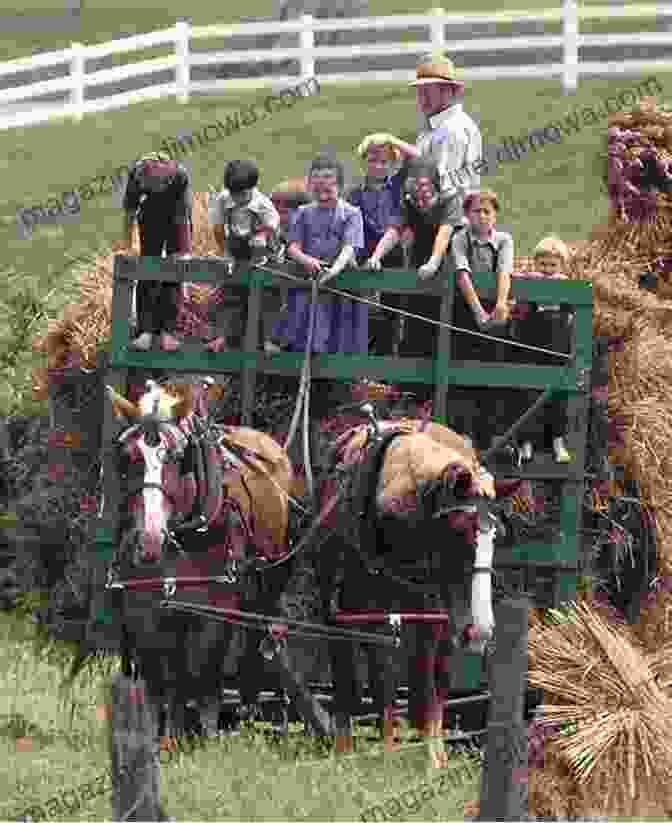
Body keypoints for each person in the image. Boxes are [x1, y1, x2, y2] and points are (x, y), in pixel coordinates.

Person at [269, 155, 365, 357]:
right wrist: (308, 260)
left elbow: (350, 248)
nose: (322, 195)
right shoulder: (303, 213)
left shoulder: (351, 214)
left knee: (338, 344)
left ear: (339, 185)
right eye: (317, 190)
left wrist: (335, 269)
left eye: (328, 190)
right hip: (309, 286)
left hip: (340, 288)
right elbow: (293, 248)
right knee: (304, 341)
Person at [365, 158, 456, 364]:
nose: (421, 201)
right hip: (418, 264)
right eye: (416, 193)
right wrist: (376, 256)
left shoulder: (450, 200)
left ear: (435, 185)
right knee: (415, 325)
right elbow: (394, 230)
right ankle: (409, 390)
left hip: (447, 264)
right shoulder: (408, 202)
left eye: (425, 192)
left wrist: (434, 262)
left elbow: (445, 233)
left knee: (444, 328)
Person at [449, 189, 514, 446]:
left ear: (495, 216)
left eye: (488, 212)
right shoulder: (460, 238)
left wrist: (500, 304)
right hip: (467, 310)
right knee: (463, 370)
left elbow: (504, 271)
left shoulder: (504, 240)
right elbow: (462, 273)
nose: (482, 217)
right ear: (467, 215)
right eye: (477, 211)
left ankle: (490, 436)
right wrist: (478, 312)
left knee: (494, 370)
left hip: (494, 310)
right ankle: (463, 433)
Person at [510, 236, 573, 463]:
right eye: (543, 264)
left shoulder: (566, 286)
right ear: (535, 263)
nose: (547, 269)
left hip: (557, 348)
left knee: (557, 395)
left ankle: (558, 441)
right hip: (532, 346)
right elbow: (518, 306)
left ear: (561, 266)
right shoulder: (530, 282)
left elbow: (573, 312)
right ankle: (526, 442)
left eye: (552, 265)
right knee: (528, 393)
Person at [206, 159, 280, 352]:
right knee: (231, 295)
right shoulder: (223, 200)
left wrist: (261, 241)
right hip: (236, 250)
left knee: (264, 296)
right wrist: (226, 252)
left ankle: (267, 340)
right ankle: (223, 338)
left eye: (243, 194)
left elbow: (273, 228)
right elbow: (218, 228)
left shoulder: (263, 204)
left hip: (260, 250)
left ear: (253, 188)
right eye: (234, 194)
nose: (238, 199)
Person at [123, 151, 192, 352]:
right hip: (150, 215)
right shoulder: (137, 174)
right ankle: (146, 331)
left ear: (165, 182)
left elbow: (184, 217)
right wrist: (127, 245)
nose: (148, 188)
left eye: (152, 187)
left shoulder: (179, 176)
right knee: (148, 266)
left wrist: (183, 252)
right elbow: (129, 212)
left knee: (174, 268)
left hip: (175, 216)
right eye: (146, 187)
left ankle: (168, 333)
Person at [347, 137, 410, 354]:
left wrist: (391, 140)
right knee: (358, 310)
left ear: (392, 164)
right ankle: (358, 360)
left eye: (384, 162)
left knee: (392, 313)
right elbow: (349, 227)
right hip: (363, 254)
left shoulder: (397, 186)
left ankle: (386, 364)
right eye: (372, 161)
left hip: (393, 254)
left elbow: (416, 158)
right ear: (364, 162)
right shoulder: (354, 193)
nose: (377, 166)